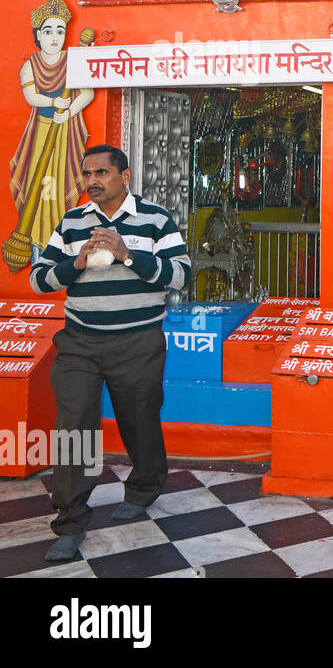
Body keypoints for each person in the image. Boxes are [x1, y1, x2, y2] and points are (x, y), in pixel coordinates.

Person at [31, 145, 192, 562]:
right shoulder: (71, 222)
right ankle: (69, 522)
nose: (92, 181)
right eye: (87, 174)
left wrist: (128, 254)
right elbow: (38, 280)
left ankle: (143, 488)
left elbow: (181, 275)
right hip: (79, 343)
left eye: (102, 172)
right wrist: (75, 264)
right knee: (74, 427)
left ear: (126, 176)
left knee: (139, 419)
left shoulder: (156, 219)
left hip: (137, 341)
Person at [8, 0, 94, 267]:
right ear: (37, 36)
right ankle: (36, 257)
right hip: (39, 136)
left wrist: (68, 113)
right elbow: (31, 97)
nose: (55, 36)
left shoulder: (74, 61)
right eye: (48, 31)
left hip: (63, 136)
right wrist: (54, 102)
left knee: (58, 192)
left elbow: (88, 94)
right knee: (33, 190)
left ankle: (57, 254)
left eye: (60, 30)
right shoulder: (29, 65)